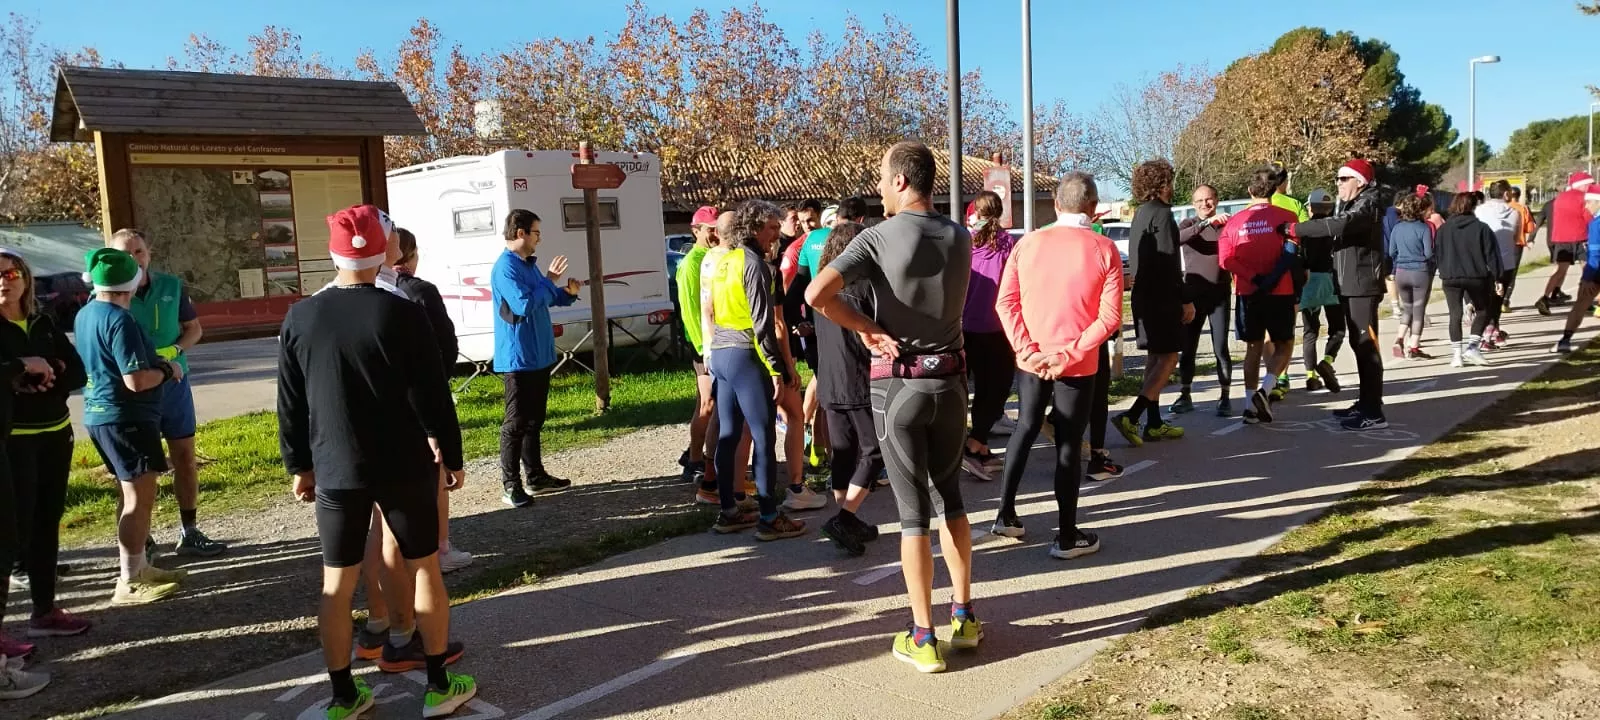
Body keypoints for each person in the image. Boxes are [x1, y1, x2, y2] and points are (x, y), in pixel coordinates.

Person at [278, 204, 476, 719]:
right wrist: (450, 454)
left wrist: (299, 465)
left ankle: (344, 696)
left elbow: (290, 403)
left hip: (336, 464)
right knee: (425, 566)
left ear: (333, 252)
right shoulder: (402, 310)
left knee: (336, 582)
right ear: (382, 250)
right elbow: (433, 395)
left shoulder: (301, 316)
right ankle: (437, 685)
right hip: (403, 461)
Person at [808, 141, 979, 674]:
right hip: (951, 383)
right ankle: (966, 616)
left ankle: (923, 636)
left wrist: (869, 329)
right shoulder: (960, 234)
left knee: (913, 517)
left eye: (883, 178)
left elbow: (817, 293)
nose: (879, 188)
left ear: (903, 181)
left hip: (899, 388)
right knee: (950, 499)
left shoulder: (878, 236)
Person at [992, 171, 1122, 558]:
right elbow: (1109, 317)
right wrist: (1068, 353)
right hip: (1078, 361)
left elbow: (1006, 303)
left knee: (1026, 428)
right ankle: (1066, 534)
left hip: (1031, 357)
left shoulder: (1027, 244)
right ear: (1093, 207)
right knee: (1068, 443)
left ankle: (1005, 514)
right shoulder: (1103, 248)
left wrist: (1027, 349)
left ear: (1057, 203)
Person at [76, 247, 190, 607]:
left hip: (100, 413)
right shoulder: (119, 319)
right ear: (134, 280)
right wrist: (168, 370)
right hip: (127, 416)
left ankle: (139, 567)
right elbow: (136, 380)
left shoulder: (86, 313)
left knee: (131, 496)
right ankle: (129, 579)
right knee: (139, 499)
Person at [106, 229, 227, 559]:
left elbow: (194, 329)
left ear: (149, 253)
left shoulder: (171, 285)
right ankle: (139, 542)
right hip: (134, 389)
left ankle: (189, 530)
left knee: (185, 457)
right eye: (125, 254)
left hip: (174, 384)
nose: (134, 259)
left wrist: (174, 351)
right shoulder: (106, 293)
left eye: (139, 252)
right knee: (134, 471)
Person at [0, 249, 90, 644]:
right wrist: (21, 374)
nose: (5, 279)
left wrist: (51, 372)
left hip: (55, 433)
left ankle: (44, 610)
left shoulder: (43, 321)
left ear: (26, 278)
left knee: (46, 524)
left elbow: (78, 372)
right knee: (10, 535)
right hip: (12, 441)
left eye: (12, 271)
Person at [705, 199, 807, 541]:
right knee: (763, 437)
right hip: (746, 354)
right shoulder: (758, 266)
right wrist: (777, 368)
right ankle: (768, 517)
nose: (776, 235)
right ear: (753, 229)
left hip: (720, 352)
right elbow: (764, 323)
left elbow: (714, 310)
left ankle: (728, 511)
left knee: (729, 434)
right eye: (772, 228)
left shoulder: (724, 261)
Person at [1285, 158, 1389, 431]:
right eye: (1338, 178)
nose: (1339, 183)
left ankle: (1373, 411)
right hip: (1349, 285)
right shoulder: (1355, 203)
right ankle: (1365, 403)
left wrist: (1295, 228)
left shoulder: (1368, 203)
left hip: (1363, 285)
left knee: (1367, 346)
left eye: (1344, 179)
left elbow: (1339, 225)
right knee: (1358, 345)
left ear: (1360, 181)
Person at [393, 229, 472, 574]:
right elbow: (448, 343)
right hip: (425, 392)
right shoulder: (421, 291)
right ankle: (441, 547)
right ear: (411, 255)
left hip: (386, 399)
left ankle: (396, 552)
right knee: (435, 469)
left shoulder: (374, 291)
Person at [492, 210, 581, 508]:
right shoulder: (505, 268)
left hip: (539, 354)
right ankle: (511, 485)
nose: (539, 239)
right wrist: (548, 281)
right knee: (515, 423)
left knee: (534, 420)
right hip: (518, 357)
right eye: (536, 233)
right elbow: (524, 303)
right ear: (520, 233)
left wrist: (566, 293)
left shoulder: (527, 265)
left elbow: (544, 295)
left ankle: (535, 476)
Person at [812, 221, 884, 556]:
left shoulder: (821, 286)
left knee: (843, 452)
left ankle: (847, 518)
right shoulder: (864, 286)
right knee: (873, 450)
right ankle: (845, 516)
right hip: (857, 377)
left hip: (829, 379)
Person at [1116, 159, 1192, 445]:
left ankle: (1154, 422)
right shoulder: (1161, 214)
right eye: (1169, 181)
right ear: (1162, 184)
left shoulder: (1141, 214)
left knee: (1155, 358)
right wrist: (1186, 299)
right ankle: (1132, 417)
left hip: (1142, 296)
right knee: (1170, 357)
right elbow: (1170, 263)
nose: (1172, 187)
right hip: (1162, 297)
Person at [1220, 169, 1302, 424]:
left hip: (1248, 292)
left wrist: (1252, 278)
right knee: (1285, 344)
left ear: (1249, 191)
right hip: (1280, 290)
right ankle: (1265, 390)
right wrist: (1271, 278)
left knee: (1253, 347)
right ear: (1275, 189)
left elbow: (1225, 260)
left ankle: (1248, 405)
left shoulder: (1234, 222)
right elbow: (1293, 250)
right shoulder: (1287, 216)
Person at [961, 190, 1015, 481]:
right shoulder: (1007, 245)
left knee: (966, 388)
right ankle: (974, 443)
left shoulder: (964, 243)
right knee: (996, 388)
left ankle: (978, 445)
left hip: (964, 327)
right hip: (997, 326)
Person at [1171, 184, 1234, 417]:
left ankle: (1225, 397)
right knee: (1188, 348)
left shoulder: (1227, 225)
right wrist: (1207, 223)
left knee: (1221, 347)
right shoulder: (1188, 224)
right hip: (1193, 296)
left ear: (1216, 200)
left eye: (1208, 200)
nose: (1204, 204)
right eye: (1199, 201)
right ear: (1193, 203)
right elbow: (1177, 238)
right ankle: (1185, 394)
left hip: (1220, 294)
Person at [676, 206, 721, 487]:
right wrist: (703, 348)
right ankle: (694, 460)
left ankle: (696, 454)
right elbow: (691, 309)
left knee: (710, 405)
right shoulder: (692, 263)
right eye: (709, 229)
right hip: (703, 344)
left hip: (714, 342)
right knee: (708, 403)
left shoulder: (714, 256)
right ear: (696, 231)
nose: (714, 234)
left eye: (717, 228)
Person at [1436, 192, 1504, 366]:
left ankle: (1456, 355)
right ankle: (1472, 347)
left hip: (1450, 276)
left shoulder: (1443, 229)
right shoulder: (1482, 228)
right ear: (1474, 207)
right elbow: (1492, 255)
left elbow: (1437, 252)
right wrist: (1498, 278)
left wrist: (1442, 271)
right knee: (1482, 310)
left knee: (1455, 314)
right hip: (1476, 275)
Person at [1300, 189, 1345, 391]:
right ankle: (1327, 361)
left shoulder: (1304, 229)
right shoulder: (1335, 228)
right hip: (1331, 281)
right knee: (1338, 328)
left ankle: (1311, 376)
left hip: (1308, 281)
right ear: (1329, 208)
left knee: (1310, 331)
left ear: (1310, 207)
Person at [1535, 172, 1597, 316]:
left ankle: (1544, 297)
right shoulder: (1584, 198)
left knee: (1559, 271)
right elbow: (1588, 217)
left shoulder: (1560, 198)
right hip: (1580, 237)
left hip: (1561, 239)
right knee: (1589, 269)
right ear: (1582, 184)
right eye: (1589, 184)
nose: (1591, 187)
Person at [1387, 190, 1436, 360]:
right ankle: (1413, 346)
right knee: (1418, 309)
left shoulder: (1397, 228)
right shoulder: (1423, 228)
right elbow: (1429, 253)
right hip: (1419, 271)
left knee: (1406, 307)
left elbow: (1391, 251)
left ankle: (1399, 338)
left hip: (1401, 271)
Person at [1551, 187, 1600, 353]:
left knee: (1580, 304)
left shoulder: (1596, 224)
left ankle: (1565, 339)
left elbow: (1594, 255)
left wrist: (1587, 277)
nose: (1586, 206)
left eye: (1589, 202)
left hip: (1596, 274)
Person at [1474, 181, 1521, 348]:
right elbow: (1516, 238)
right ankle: (1489, 331)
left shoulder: (1479, 211)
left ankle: (1491, 330)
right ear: (1506, 194)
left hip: (1484, 261)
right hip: (1505, 261)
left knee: (1486, 299)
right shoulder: (1515, 213)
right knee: (1497, 300)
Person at [1504, 186, 1537, 310]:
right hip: (1517, 244)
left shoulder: (1502, 208)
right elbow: (1530, 228)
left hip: (1501, 243)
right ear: (1518, 196)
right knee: (1512, 273)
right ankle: (1505, 301)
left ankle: (1495, 298)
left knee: (1499, 271)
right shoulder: (1523, 209)